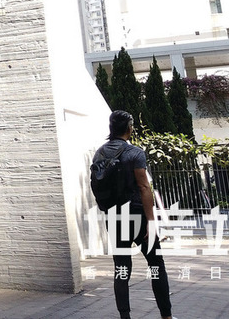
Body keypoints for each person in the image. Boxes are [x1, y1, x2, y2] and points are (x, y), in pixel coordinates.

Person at [93, 110, 173, 319]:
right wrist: (151, 222)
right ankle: (166, 316)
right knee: (156, 264)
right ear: (129, 128)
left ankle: (125, 317)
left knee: (121, 268)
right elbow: (144, 187)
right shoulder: (135, 153)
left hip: (114, 217)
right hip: (137, 215)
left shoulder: (99, 154)